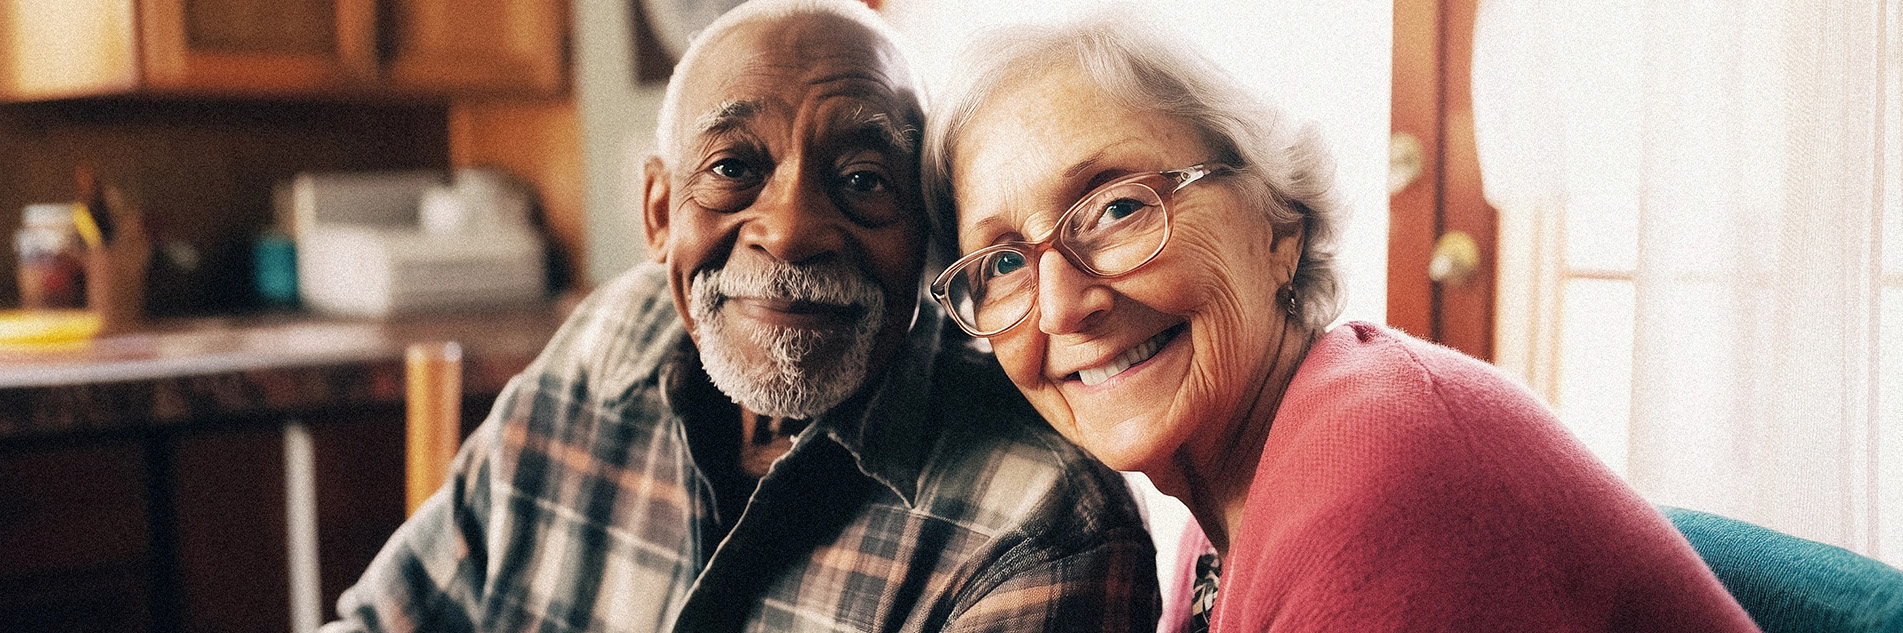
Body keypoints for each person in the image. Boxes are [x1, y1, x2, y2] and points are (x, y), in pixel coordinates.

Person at [321, 1, 1160, 631]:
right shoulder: (609, 339)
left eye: (864, 179)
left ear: (928, 235)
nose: (791, 231)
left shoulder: (1039, 529)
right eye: (732, 166)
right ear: (658, 213)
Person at [920, 10, 1760, 632]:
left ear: (1276, 226)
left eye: (1114, 208)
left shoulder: (1378, 480)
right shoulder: (1226, 501)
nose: (1062, 302)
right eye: (1000, 262)